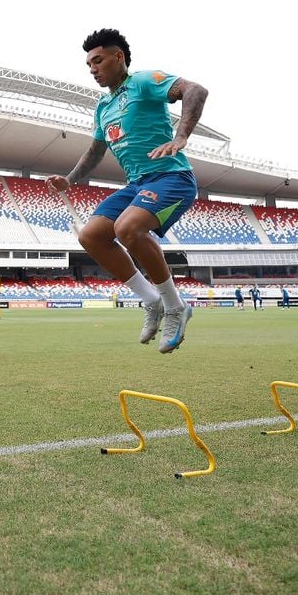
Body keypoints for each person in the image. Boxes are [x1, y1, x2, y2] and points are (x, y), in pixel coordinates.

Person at [46, 29, 208, 353]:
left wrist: (181, 137)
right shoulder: (102, 106)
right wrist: (70, 178)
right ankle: (152, 301)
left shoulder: (144, 81)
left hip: (171, 177)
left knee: (127, 227)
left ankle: (176, 306)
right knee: (90, 236)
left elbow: (195, 91)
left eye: (98, 60)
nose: (93, 68)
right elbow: (95, 151)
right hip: (137, 184)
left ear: (118, 57)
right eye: (89, 64)